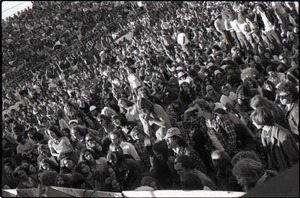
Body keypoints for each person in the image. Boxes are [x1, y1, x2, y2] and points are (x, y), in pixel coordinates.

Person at [250, 106, 299, 172]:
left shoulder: (283, 136)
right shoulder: (264, 133)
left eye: (254, 121)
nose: (253, 123)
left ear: (261, 120)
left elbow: (293, 157)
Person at [276, 80, 299, 145]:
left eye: (283, 97)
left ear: (291, 96)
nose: (280, 99)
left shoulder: (296, 111)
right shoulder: (286, 107)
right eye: (279, 96)